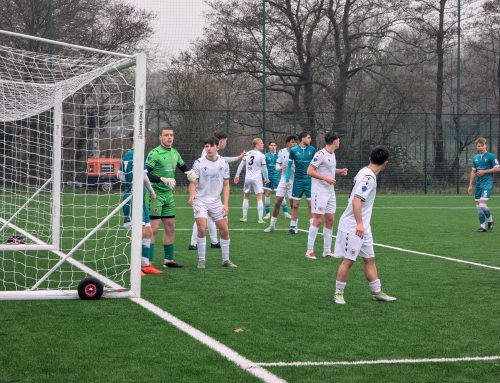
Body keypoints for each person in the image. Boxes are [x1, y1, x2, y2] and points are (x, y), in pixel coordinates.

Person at [332, 146, 396, 305]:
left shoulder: (364, 171)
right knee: (349, 260)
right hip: (354, 226)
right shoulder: (369, 178)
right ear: (386, 163)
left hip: (363, 227)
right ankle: (338, 294)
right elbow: (356, 200)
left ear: (370, 157)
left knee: (369, 258)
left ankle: (377, 291)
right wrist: (359, 224)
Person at [146, 127, 197, 268]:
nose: (169, 137)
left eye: (171, 135)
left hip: (169, 195)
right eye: (166, 135)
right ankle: (147, 262)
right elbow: (145, 174)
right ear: (160, 137)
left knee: (170, 226)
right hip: (154, 195)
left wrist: (190, 173)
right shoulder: (154, 153)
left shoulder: (175, 153)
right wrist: (161, 179)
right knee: (154, 229)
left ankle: (168, 260)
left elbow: (183, 167)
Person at [189, 132, 245, 250]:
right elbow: (195, 179)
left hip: (213, 197)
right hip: (203, 196)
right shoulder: (205, 155)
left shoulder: (219, 158)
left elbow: (222, 162)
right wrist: (192, 193)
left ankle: (212, 242)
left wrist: (238, 158)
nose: (226, 143)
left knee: (208, 221)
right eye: (225, 140)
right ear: (219, 142)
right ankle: (196, 243)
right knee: (202, 223)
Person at [118, 134, 163, 276]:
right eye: (142, 138)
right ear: (137, 140)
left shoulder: (131, 154)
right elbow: (142, 176)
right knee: (140, 232)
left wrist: (132, 182)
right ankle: (135, 266)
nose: (145, 140)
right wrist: (134, 186)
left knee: (148, 232)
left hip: (140, 198)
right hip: (132, 199)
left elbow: (119, 174)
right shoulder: (134, 154)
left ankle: (145, 264)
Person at [305, 132, 348, 259]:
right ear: (334, 141)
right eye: (338, 140)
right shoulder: (320, 154)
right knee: (318, 219)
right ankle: (309, 251)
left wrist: (339, 171)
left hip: (330, 191)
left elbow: (327, 168)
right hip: (319, 191)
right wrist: (326, 178)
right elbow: (310, 171)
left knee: (330, 220)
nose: (339, 142)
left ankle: (327, 250)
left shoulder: (332, 154)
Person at [264, 135, 297, 232]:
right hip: (283, 180)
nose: (294, 143)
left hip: (293, 180)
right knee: (277, 202)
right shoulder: (282, 152)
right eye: (292, 142)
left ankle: (294, 226)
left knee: (293, 204)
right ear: (287, 143)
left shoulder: (298, 152)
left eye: (295, 142)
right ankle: (272, 226)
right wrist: (281, 167)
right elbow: (277, 166)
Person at [285, 131, 316, 234]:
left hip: (309, 181)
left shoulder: (312, 150)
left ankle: (312, 226)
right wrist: (287, 180)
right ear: (303, 138)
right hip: (298, 181)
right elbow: (289, 166)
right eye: (308, 137)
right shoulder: (293, 150)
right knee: (295, 205)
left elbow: (316, 165)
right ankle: (293, 227)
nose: (310, 139)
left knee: (311, 205)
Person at [467, 137, 500, 232]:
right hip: (478, 184)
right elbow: (473, 172)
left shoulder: (491, 156)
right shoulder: (475, 158)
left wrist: (484, 171)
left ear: (485, 145)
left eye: (482, 145)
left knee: (482, 205)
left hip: (487, 183)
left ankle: (490, 221)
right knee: (478, 207)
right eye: (478, 146)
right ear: (476, 147)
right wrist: (470, 185)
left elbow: (498, 168)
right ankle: (482, 226)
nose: (480, 147)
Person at [234, 138, 270, 223]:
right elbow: (264, 169)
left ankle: (244, 217)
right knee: (259, 197)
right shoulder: (261, 155)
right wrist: (266, 178)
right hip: (257, 178)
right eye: (261, 143)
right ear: (256, 145)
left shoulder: (247, 153)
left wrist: (237, 175)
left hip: (247, 178)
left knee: (246, 196)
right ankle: (260, 219)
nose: (263, 144)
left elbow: (241, 165)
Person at [263, 140, 290, 220]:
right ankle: (267, 214)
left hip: (278, 178)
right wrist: (265, 178)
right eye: (271, 145)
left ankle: (286, 213)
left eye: (274, 145)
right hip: (268, 178)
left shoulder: (280, 154)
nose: (273, 147)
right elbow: (263, 168)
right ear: (269, 146)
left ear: (276, 146)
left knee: (280, 196)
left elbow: (283, 163)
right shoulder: (265, 155)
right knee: (267, 195)